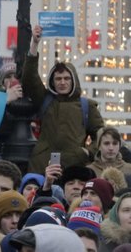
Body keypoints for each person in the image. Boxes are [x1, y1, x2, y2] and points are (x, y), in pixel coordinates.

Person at [23, 25, 104, 173]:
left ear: (73, 80)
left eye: (67, 78)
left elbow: (100, 134)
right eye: (58, 78)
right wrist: (34, 44)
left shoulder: (87, 106)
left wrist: (87, 152)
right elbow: (29, 78)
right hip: (41, 165)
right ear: (52, 81)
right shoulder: (46, 99)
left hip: (73, 167)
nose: (62, 82)